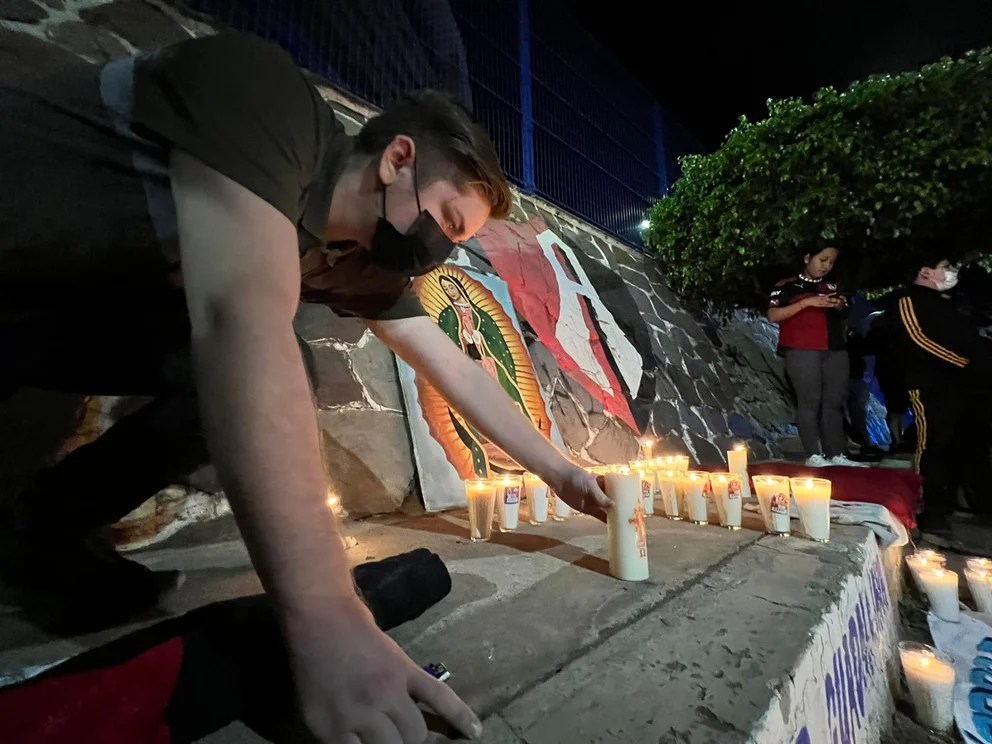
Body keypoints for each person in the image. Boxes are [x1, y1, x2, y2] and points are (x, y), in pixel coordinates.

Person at [0, 31, 612, 743]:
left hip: (51, 320)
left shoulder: (357, 264)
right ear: (398, 158)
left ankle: (36, 534)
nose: (440, 251)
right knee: (260, 352)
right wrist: (327, 616)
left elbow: (456, 369)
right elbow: (240, 319)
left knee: (253, 371)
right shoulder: (263, 97)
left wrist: (563, 473)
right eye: (446, 221)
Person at [894, 258, 991, 537]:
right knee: (933, 442)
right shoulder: (909, 300)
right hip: (931, 385)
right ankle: (930, 506)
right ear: (925, 271)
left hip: (967, 386)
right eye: (945, 266)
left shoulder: (948, 303)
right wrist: (963, 363)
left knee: (967, 442)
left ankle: (966, 498)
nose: (952, 272)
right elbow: (918, 338)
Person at [767, 244, 868, 468]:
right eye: (822, 260)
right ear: (807, 258)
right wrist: (807, 303)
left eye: (831, 262)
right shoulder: (787, 286)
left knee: (834, 402)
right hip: (801, 349)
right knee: (809, 400)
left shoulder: (832, 286)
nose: (826, 266)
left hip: (835, 349)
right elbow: (773, 315)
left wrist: (839, 304)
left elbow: (845, 313)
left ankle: (836, 454)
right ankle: (814, 454)